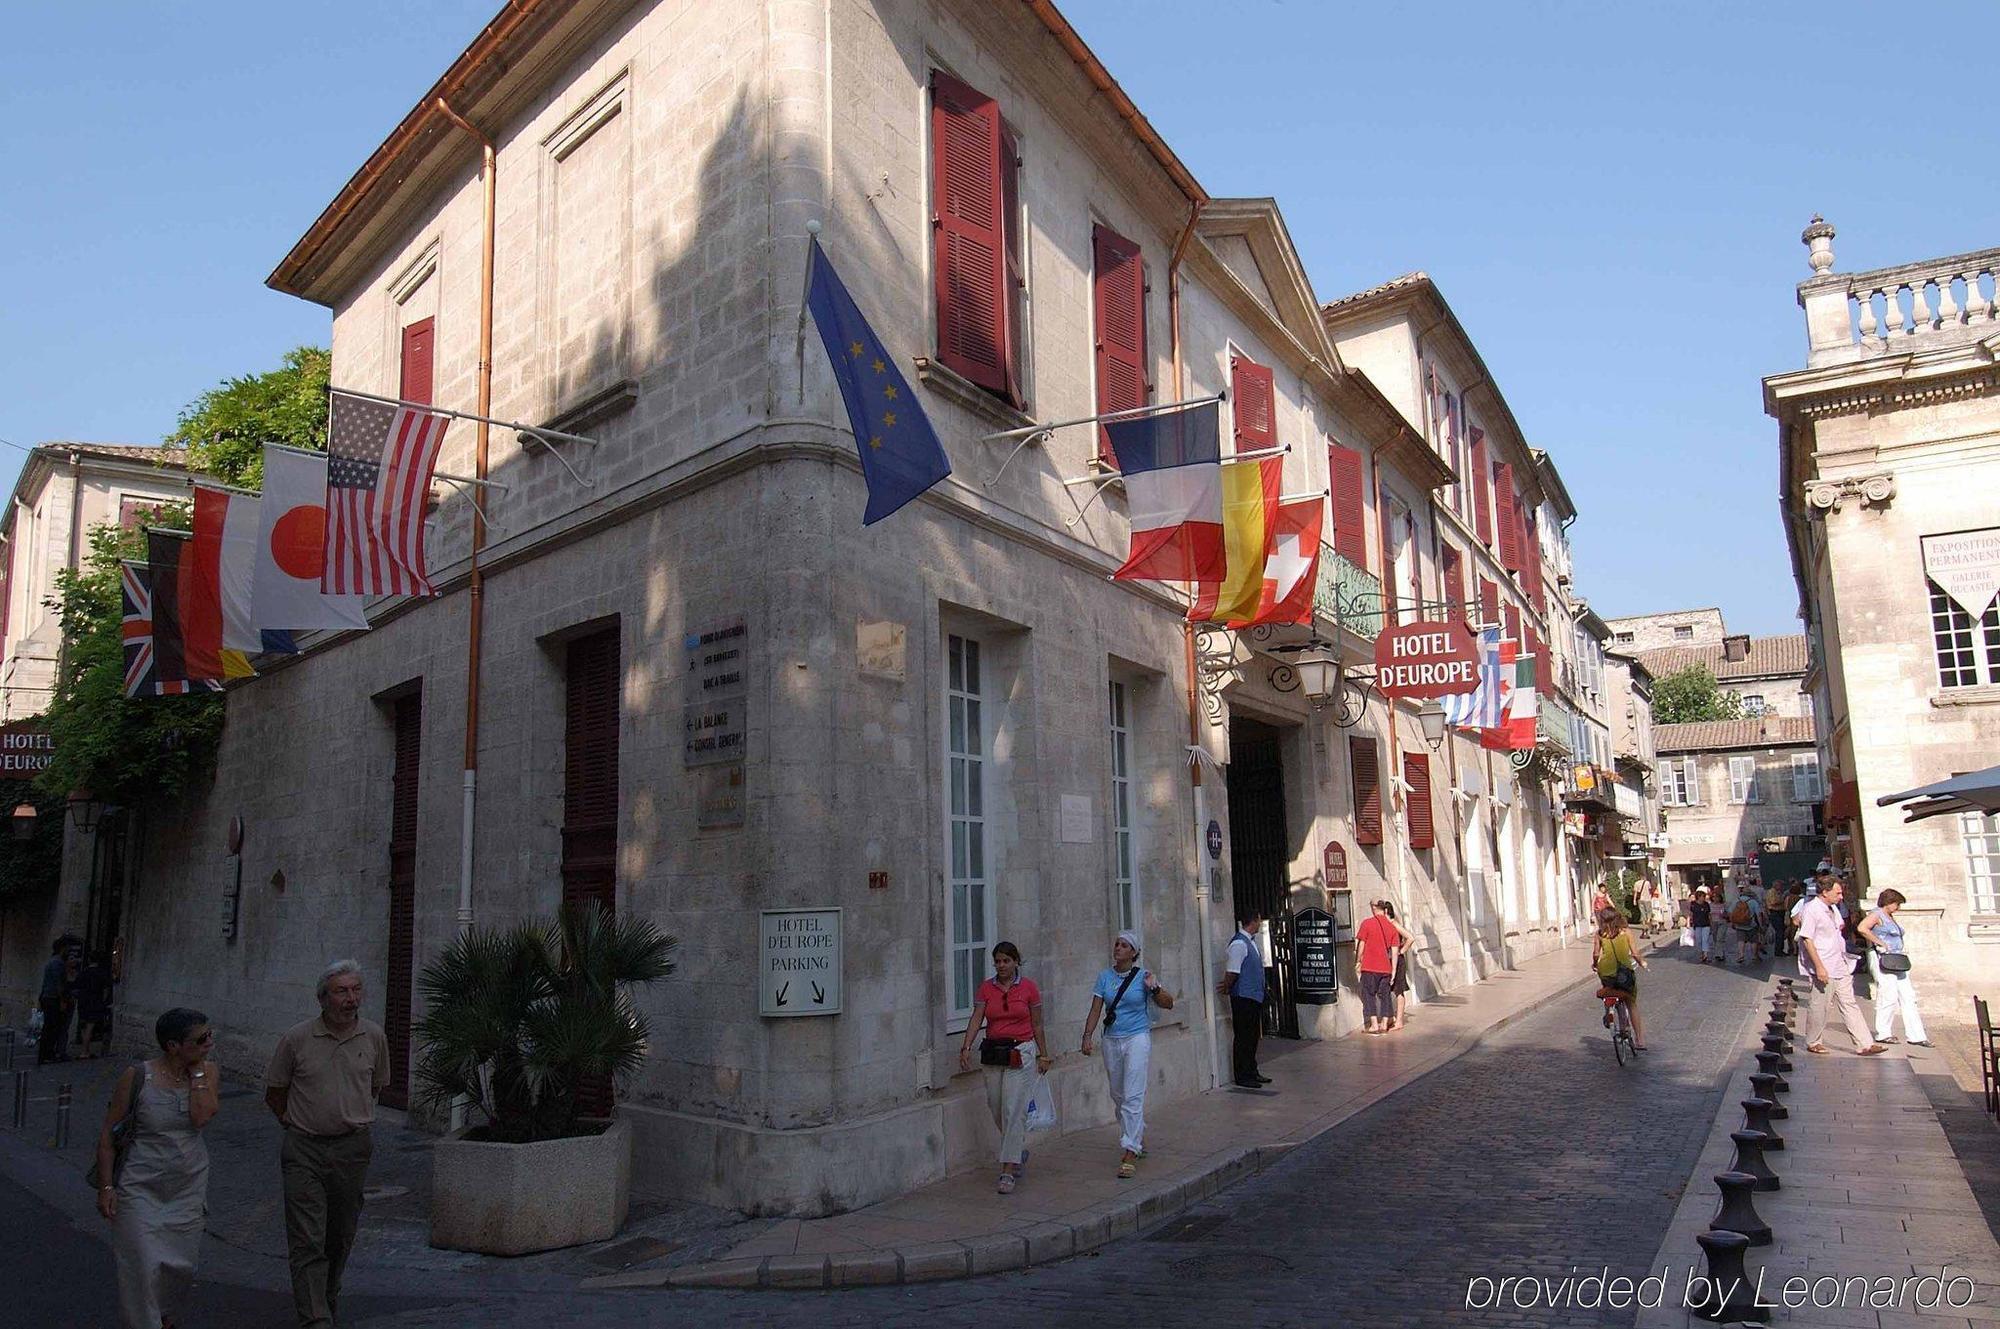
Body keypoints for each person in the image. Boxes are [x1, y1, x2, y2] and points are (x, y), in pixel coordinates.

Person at [266, 960, 391, 1328]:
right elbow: (276, 1092)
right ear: (322, 998)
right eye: (341, 991)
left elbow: (375, 1087)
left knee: (339, 1235)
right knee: (307, 1238)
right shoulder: (297, 1039)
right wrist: (295, 1123)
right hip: (304, 1148)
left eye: (355, 990)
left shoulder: (373, 1037)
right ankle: (315, 1319)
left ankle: (326, 1296)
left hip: (352, 1149)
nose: (351, 999)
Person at [97, 1007, 219, 1329]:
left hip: (187, 1186)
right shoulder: (137, 1076)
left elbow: (201, 1117)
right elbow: (110, 1134)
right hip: (139, 1185)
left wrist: (196, 1073)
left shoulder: (208, 1073)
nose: (209, 1042)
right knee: (141, 1266)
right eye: (200, 1039)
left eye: (210, 1035)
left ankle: (161, 1316)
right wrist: (107, 1186)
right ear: (173, 1045)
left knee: (181, 1268)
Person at [957, 941, 1051, 1194]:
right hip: (994, 1053)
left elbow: (1038, 1024)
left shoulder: (1029, 988)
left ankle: (1007, 1170)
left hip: (1021, 1051)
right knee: (996, 1105)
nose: (1001, 966)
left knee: (1013, 1108)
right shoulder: (987, 988)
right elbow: (977, 1018)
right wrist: (966, 1046)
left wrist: (1044, 1054)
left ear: (1015, 962)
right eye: (997, 961)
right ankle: (1017, 1149)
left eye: (1006, 961)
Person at [1080, 931, 1174, 1178]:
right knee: (1118, 1094)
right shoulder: (1104, 977)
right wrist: (1087, 1036)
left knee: (1133, 1094)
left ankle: (1130, 1149)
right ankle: (1137, 1133)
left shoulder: (1144, 976)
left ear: (1133, 952)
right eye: (1117, 944)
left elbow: (1168, 1002)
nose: (1118, 948)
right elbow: (1095, 1009)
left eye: (1124, 945)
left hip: (1137, 1038)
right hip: (1112, 1038)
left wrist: (1154, 989)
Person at [1795, 878, 1886, 1057]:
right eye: (1837, 893)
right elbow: (1807, 939)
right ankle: (1813, 1041)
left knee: (1849, 1002)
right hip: (1823, 964)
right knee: (1820, 1005)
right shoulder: (1811, 910)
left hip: (1839, 962)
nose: (1841, 896)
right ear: (1824, 892)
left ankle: (1865, 1044)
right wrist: (1819, 967)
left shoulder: (1832, 908)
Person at [1858, 888, 1929, 1047]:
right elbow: (1862, 928)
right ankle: (1883, 1032)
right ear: (1888, 902)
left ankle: (1916, 1035)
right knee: (1888, 995)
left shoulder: (1890, 917)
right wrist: (1880, 943)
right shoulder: (1877, 914)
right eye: (1897, 903)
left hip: (1897, 959)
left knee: (1908, 996)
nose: (1898, 907)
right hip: (1884, 958)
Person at [1217, 911, 1271, 1087]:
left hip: (1253, 996)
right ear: (1253, 921)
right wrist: (1227, 985)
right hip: (1243, 996)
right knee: (1243, 1036)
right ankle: (1243, 1075)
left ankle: (1252, 1070)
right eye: (1258, 920)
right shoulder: (1240, 943)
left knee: (1253, 1035)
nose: (1260, 923)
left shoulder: (1250, 942)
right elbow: (1233, 970)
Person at [1591, 908, 1648, 1049]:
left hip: (1606, 971)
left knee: (1608, 989)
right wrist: (1642, 963)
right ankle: (1640, 1041)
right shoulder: (1626, 932)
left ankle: (1608, 1010)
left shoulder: (1599, 934)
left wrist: (1595, 964)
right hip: (1624, 973)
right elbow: (1635, 952)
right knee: (1631, 1003)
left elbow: (1596, 954)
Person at [1355, 900, 1400, 1035]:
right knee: (1385, 996)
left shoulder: (1367, 923)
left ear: (1374, 908)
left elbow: (1361, 944)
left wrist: (1358, 960)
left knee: (1369, 995)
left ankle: (1374, 1024)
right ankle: (1385, 1023)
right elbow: (1395, 951)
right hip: (1385, 967)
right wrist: (1393, 970)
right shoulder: (1392, 927)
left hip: (1369, 966)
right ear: (1384, 909)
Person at [37, 938, 76, 1064]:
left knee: (49, 1027)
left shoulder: (52, 962)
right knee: (52, 1028)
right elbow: (59, 984)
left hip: (47, 998)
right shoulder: (58, 963)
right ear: (62, 948)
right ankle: (47, 1054)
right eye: (68, 949)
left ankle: (46, 1054)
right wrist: (63, 1001)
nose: (69, 951)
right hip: (53, 999)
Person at [1381, 900, 1416, 1030]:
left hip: (1397, 960)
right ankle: (1390, 1017)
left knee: (1398, 990)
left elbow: (1410, 938)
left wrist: (1402, 951)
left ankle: (1399, 1020)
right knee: (1387, 989)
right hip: (1387, 960)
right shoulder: (1386, 925)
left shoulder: (1394, 924)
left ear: (1386, 912)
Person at [75, 951, 116, 1059]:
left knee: (84, 1027)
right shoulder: (102, 973)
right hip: (95, 1002)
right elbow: (106, 989)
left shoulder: (84, 972)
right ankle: (85, 1051)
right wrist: (104, 1001)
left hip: (83, 1002)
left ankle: (85, 1050)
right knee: (90, 1027)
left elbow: (77, 986)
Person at [1687, 887, 1714, 963]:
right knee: (1699, 940)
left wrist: (1711, 924)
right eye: (1702, 896)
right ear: (1698, 897)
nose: (1704, 898)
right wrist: (1688, 922)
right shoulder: (1693, 904)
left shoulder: (1706, 904)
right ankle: (1701, 953)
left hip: (1706, 924)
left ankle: (1705, 955)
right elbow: (1690, 914)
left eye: (1704, 896)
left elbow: (1709, 915)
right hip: (1697, 924)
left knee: (1705, 940)